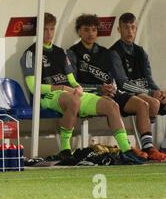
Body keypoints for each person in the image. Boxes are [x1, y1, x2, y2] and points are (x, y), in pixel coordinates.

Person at [20, 13, 145, 164]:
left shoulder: (61, 52)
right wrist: (63, 88)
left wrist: (78, 87)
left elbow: (72, 80)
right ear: (38, 31)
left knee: (111, 105)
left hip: (70, 94)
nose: (49, 33)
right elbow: (34, 88)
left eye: (52, 29)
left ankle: (126, 151)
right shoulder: (30, 53)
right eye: (45, 29)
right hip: (48, 97)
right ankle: (65, 150)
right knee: (73, 101)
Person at [67, 14, 166, 162]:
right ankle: (127, 149)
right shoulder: (72, 53)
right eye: (86, 30)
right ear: (79, 32)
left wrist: (111, 87)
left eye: (94, 30)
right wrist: (98, 88)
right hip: (91, 95)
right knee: (111, 104)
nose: (90, 34)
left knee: (143, 104)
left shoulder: (107, 53)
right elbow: (73, 84)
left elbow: (117, 80)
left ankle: (148, 148)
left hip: (111, 92)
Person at [110, 12, 166, 153]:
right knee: (151, 103)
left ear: (135, 29)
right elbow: (122, 83)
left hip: (144, 92)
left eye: (132, 27)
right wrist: (150, 92)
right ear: (119, 30)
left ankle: (164, 146)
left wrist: (158, 91)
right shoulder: (114, 52)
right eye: (126, 28)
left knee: (160, 99)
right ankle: (148, 147)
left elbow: (149, 79)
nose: (130, 31)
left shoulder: (141, 52)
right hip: (125, 93)